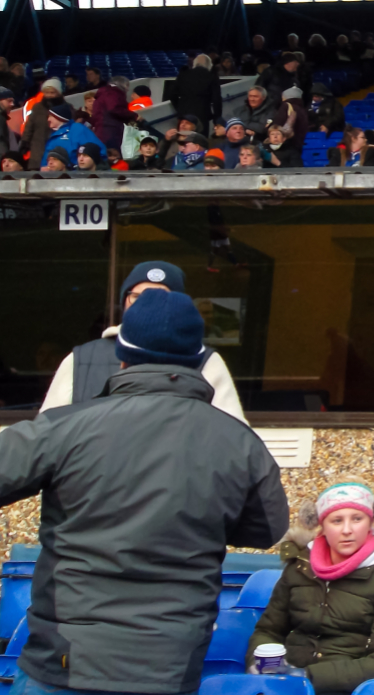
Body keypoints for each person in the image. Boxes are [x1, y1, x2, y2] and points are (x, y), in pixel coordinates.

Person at [0, 289, 288, 695]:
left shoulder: (65, 428)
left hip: (65, 663)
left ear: (122, 355)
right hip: (169, 666)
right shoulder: (240, 444)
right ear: (198, 360)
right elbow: (267, 529)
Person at [248, 481, 374, 693]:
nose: (347, 530)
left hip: (347, 687)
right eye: (337, 521)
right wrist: (260, 662)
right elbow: (268, 630)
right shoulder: (299, 566)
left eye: (357, 519)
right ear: (323, 525)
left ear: (370, 522)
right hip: (284, 681)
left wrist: (307, 677)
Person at [40, 261, 247, 421]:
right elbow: (47, 433)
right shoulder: (81, 358)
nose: (147, 305)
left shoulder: (206, 359)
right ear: (124, 300)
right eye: (137, 296)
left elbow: (232, 434)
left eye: (159, 297)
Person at [173, 53, 223, 133]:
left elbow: (172, 95)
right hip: (202, 116)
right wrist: (216, 119)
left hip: (184, 116)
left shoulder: (183, 74)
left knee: (183, 140)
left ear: (194, 63)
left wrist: (179, 110)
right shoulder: (212, 76)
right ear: (209, 65)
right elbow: (216, 100)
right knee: (200, 141)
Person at [22, 79, 64, 170]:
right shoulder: (37, 107)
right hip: (38, 149)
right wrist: (25, 142)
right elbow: (29, 126)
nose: (49, 95)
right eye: (46, 92)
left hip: (58, 150)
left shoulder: (66, 108)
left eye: (52, 92)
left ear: (59, 93)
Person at [89, 75, 137, 149]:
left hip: (101, 130)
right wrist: (133, 115)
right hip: (110, 131)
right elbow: (114, 109)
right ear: (122, 84)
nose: (127, 89)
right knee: (113, 155)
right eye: (127, 86)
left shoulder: (104, 94)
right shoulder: (113, 93)